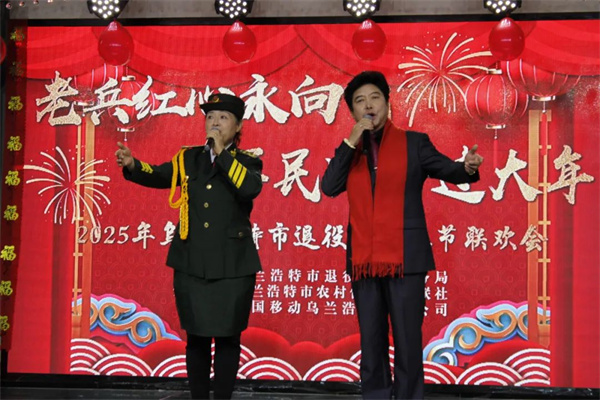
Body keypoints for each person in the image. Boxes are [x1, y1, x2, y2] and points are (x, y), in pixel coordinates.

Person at [322, 71, 483, 400]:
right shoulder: (351, 150)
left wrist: (466, 167)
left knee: (408, 339)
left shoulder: (414, 143)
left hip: (406, 257)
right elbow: (329, 186)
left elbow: (448, 169)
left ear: (387, 103)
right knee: (371, 339)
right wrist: (351, 141)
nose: (369, 105)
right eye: (360, 101)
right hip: (364, 260)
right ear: (352, 112)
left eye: (375, 97)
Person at [115, 93, 263, 399]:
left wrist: (221, 153)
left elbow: (249, 188)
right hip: (192, 264)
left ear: (238, 126)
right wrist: (132, 164)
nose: (215, 123)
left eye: (223, 117)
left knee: (228, 339)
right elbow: (159, 175)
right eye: (210, 117)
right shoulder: (188, 158)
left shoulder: (248, 161)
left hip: (233, 267)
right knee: (196, 339)